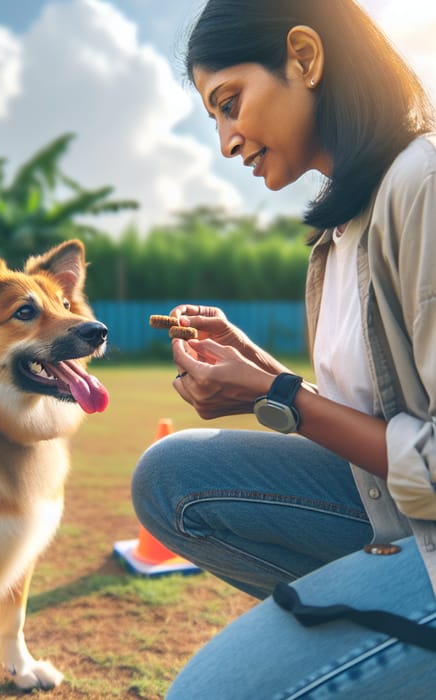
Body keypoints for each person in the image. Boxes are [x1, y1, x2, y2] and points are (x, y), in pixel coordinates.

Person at [130, 0, 436, 697]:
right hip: (397, 514)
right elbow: (388, 417)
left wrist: (277, 397)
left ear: (305, 57)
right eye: (214, 118)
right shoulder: (339, 232)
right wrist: (266, 375)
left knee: (204, 695)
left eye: (230, 103)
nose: (226, 141)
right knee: (171, 478)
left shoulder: (423, 187)